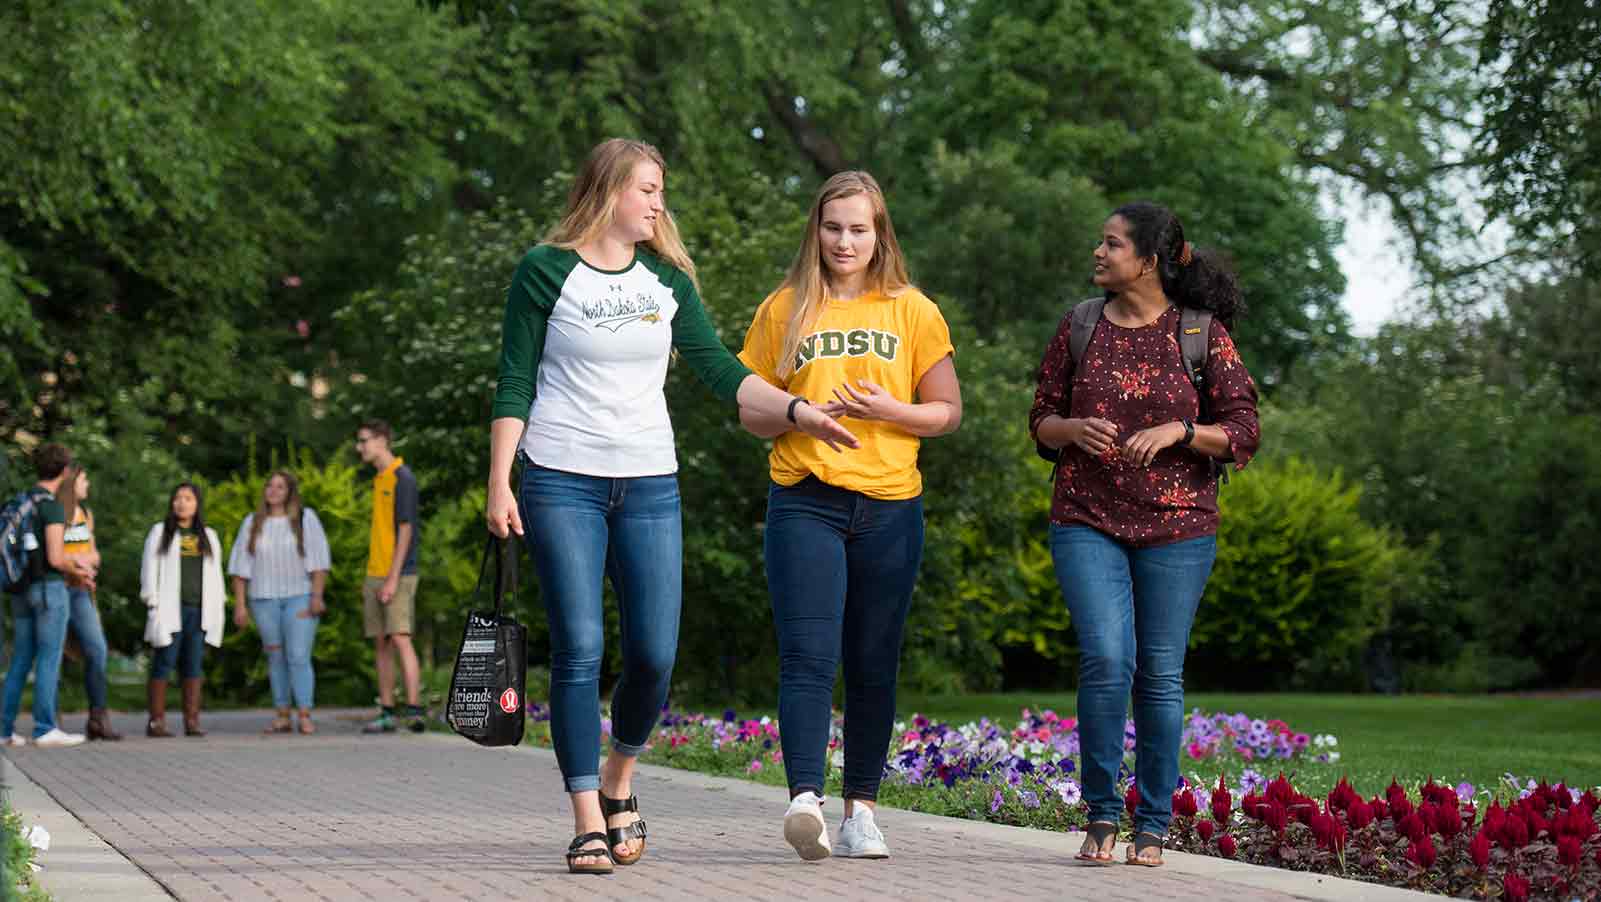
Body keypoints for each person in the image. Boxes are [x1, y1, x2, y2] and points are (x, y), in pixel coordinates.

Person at [485, 138, 858, 875]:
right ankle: (587, 815)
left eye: (660, 190)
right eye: (647, 189)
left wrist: (796, 410)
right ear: (608, 192)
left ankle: (621, 775)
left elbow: (720, 369)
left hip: (650, 482)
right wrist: (500, 479)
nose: (658, 203)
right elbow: (514, 378)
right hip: (560, 477)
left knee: (654, 655)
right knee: (581, 648)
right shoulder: (545, 270)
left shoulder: (666, 281)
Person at [736, 170, 961, 862]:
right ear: (816, 230)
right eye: (833, 227)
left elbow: (946, 411)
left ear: (878, 234)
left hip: (890, 505)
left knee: (872, 662)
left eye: (858, 228)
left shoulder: (912, 310)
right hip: (804, 497)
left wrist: (887, 411)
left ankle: (862, 810)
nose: (844, 240)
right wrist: (799, 412)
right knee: (807, 654)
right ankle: (805, 800)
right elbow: (748, 410)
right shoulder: (784, 309)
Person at [1028, 202, 1260, 867]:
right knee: (1105, 658)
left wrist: (1183, 432)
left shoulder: (1200, 334)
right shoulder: (1077, 325)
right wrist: (1071, 429)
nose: (1097, 253)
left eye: (1110, 244)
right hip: (1084, 518)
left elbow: (1244, 429)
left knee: (1158, 672)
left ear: (1148, 261)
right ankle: (1102, 814)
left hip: (1179, 527)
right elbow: (1041, 416)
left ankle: (1152, 823)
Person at [1, 444, 94, 747]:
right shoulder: (51, 506)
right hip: (48, 589)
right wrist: (77, 572)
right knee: (49, 656)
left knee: (20, 660)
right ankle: (44, 728)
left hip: (21, 590)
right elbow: (56, 557)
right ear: (65, 471)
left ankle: (4, 731)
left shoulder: (22, 500)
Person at [228, 470, 333, 735]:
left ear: (290, 492)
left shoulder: (306, 520)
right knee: (275, 657)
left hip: (299, 596)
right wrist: (240, 605)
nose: (273, 491)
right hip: (263, 599)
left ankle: (305, 713)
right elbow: (240, 568)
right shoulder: (252, 523)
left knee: (298, 655)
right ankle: (282, 714)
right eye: (270, 486)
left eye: (280, 487)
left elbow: (320, 562)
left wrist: (317, 596)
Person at [140, 482, 227, 738]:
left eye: (188, 498)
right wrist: (151, 601)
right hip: (169, 609)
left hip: (199, 609)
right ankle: (156, 721)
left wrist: (219, 605)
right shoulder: (161, 532)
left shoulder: (208, 536)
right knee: (164, 661)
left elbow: (216, 575)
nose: (182, 503)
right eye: (178, 498)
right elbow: (149, 569)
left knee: (194, 665)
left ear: (197, 503)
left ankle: (192, 721)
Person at [354, 419, 424, 735]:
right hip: (375, 572)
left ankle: (414, 710)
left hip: (399, 572)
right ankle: (386, 710)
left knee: (400, 638)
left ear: (382, 440)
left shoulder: (402, 477)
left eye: (365, 440)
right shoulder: (379, 479)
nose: (361, 447)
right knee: (381, 643)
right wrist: (374, 576)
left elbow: (406, 531)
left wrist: (393, 578)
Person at [62, 466, 119, 741]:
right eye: (84, 479)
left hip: (82, 592)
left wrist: (88, 562)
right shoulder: (55, 514)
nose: (88, 484)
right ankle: (47, 720)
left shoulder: (85, 515)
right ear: (71, 483)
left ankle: (98, 718)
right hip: (59, 590)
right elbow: (53, 553)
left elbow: (94, 553)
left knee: (97, 650)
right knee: (50, 655)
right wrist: (76, 564)